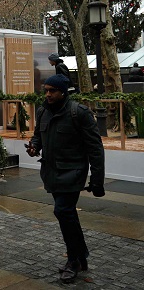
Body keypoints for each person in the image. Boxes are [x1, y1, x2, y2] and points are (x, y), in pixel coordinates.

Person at [26, 74, 105, 284]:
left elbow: (95, 148)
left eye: (52, 90)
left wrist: (97, 180)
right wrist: (34, 147)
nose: (48, 94)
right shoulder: (42, 111)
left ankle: (74, 261)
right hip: (51, 173)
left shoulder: (79, 113)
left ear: (63, 92)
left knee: (62, 210)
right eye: (46, 90)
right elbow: (37, 136)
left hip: (73, 172)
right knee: (68, 215)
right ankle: (81, 255)